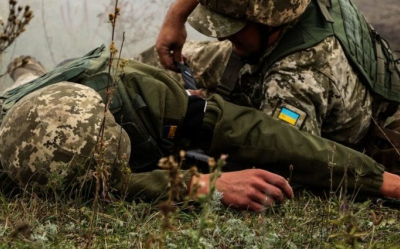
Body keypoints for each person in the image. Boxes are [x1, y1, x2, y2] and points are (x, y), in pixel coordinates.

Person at [1, 46, 400, 212]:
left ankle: (28, 69)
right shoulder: (17, 150)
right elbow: (117, 183)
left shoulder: (147, 97)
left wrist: (379, 181)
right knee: (22, 86)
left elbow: (253, 132)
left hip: (106, 80)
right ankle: (27, 73)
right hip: (22, 107)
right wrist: (201, 185)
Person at [149, 0, 400, 169]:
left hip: (305, 98)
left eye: (232, 26)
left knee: (175, 110)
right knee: (155, 65)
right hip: (267, 48)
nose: (221, 37)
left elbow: (277, 160)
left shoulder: (298, 78)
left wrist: (199, 119)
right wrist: (176, 17)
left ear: (269, 17)